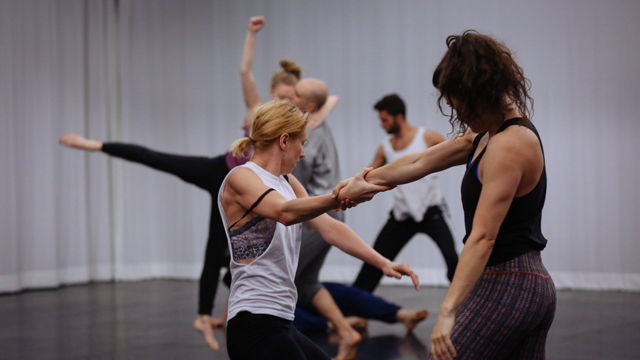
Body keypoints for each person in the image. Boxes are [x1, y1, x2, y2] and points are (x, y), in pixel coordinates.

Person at [57, 16, 339, 353]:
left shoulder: (291, 128)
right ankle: (93, 144)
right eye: (282, 96)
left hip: (254, 199)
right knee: (157, 158)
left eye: (293, 98)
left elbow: (327, 102)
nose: (286, 102)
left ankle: (209, 314)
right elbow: (245, 73)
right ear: (273, 93)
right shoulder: (260, 110)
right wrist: (250, 34)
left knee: (222, 249)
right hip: (224, 173)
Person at [334, 30, 556, 360]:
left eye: (459, 104)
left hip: (509, 283)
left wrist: (448, 310)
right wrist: (365, 180)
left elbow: (483, 238)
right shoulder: (483, 135)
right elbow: (423, 160)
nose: (459, 115)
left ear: (481, 92)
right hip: (520, 284)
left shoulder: (511, 144)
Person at [219, 99, 419, 360]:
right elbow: (285, 212)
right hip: (253, 324)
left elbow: (330, 228)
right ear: (283, 141)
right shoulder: (241, 177)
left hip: (281, 321)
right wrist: (340, 196)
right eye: (302, 143)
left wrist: (382, 263)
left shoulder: (288, 182)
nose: (303, 153)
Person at [352, 93, 458, 293]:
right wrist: (348, 191)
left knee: (453, 260)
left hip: (432, 213)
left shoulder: (428, 137)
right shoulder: (385, 148)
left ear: (398, 117)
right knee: (374, 262)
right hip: (401, 216)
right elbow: (366, 177)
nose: (382, 124)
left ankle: (471, 304)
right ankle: (354, 310)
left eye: (385, 120)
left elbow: (457, 152)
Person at [293, 282, 428, 334]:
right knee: (290, 315)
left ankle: (401, 315)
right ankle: (333, 324)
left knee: (346, 294)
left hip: (298, 283)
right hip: (278, 295)